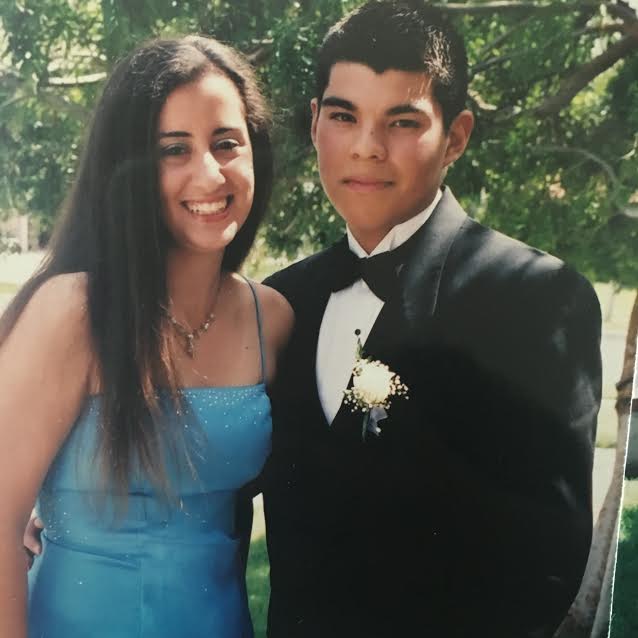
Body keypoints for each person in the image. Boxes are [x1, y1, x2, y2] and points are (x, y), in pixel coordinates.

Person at [260, 2, 602, 637]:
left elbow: (542, 571)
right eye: (343, 116)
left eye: (402, 121)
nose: (366, 147)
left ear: (457, 136)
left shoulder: (536, 299)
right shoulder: (280, 302)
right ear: (314, 123)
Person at [1, 36, 292, 638]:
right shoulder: (74, 312)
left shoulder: (272, 320)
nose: (208, 172)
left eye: (226, 143)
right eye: (174, 149)